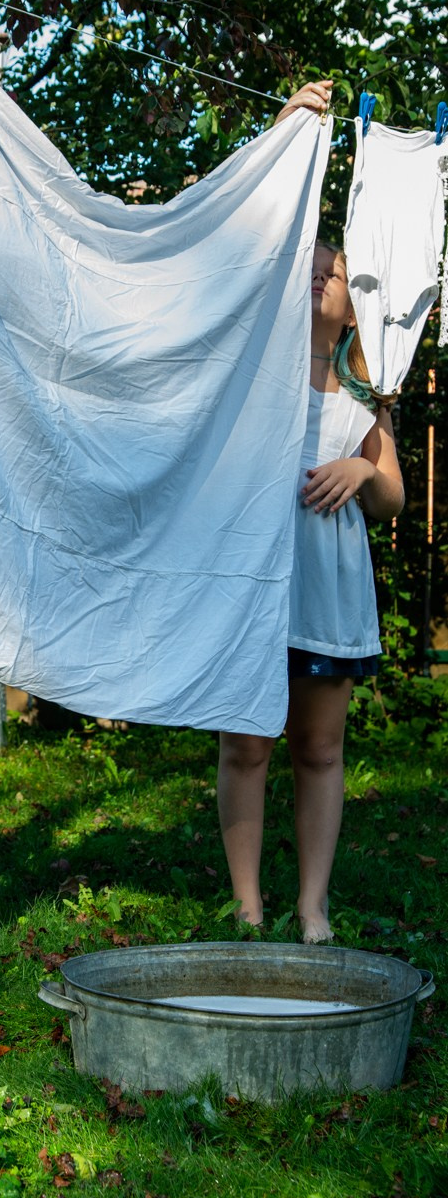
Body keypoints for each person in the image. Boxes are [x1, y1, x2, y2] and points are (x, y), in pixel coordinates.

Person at [217, 174, 405, 941]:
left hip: (326, 596)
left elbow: (391, 498)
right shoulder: (247, 375)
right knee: (246, 746)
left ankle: (312, 906)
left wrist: (364, 471)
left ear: (355, 304)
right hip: (255, 590)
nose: (322, 275)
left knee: (320, 750)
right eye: (311, 266)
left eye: (335, 271)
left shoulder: (365, 392)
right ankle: (247, 903)